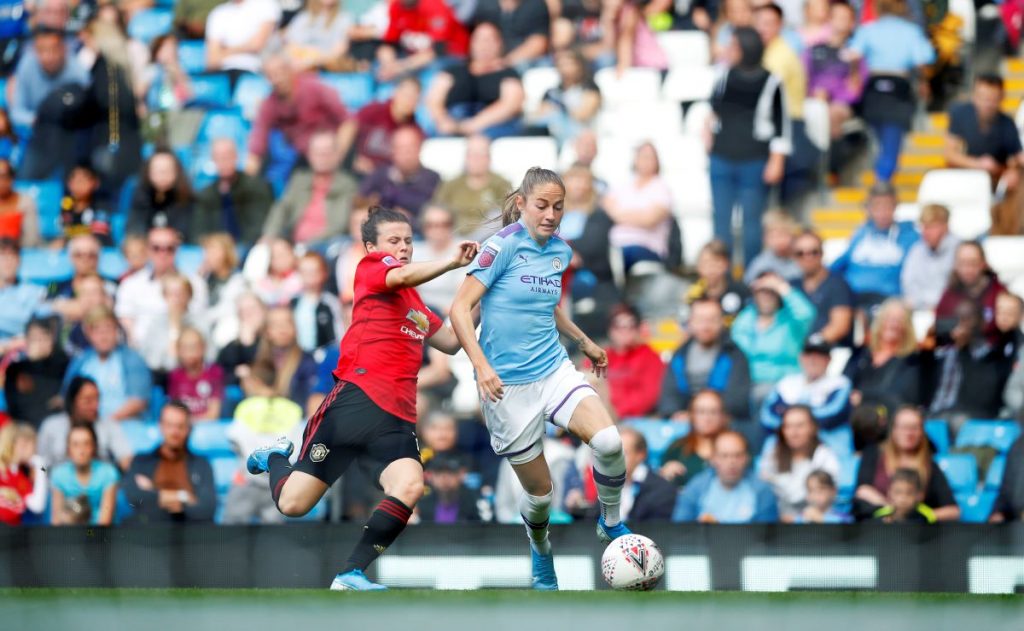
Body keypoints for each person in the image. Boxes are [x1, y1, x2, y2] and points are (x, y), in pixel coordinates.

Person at [245, 206, 477, 591]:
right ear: (372, 246)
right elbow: (399, 273)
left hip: (397, 418)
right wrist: (453, 260)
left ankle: (351, 573)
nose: (403, 248)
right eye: (394, 241)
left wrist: (482, 286)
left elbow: (451, 342)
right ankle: (273, 456)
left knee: (410, 485)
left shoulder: (416, 303)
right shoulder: (372, 270)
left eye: (407, 241)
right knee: (293, 505)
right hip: (356, 400)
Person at [449, 167, 633, 591]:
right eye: (542, 205)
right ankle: (541, 547)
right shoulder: (500, 248)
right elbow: (460, 311)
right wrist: (481, 366)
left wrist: (584, 340)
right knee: (540, 499)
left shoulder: (560, 252)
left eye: (559, 207)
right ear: (521, 204)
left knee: (607, 441)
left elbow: (545, 304)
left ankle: (611, 521)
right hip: (506, 388)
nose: (551, 214)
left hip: (552, 369)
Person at [708, 26, 790, 267]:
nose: (729, 50)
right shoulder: (725, 74)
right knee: (721, 220)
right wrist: (707, 129)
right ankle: (721, 272)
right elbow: (713, 108)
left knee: (751, 223)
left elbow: (781, 125)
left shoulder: (770, 80)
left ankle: (751, 274)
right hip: (722, 156)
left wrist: (777, 160)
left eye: (734, 46)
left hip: (754, 159)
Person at [846, 0, 934, 183]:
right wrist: (923, 82)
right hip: (897, 88)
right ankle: (882, 182)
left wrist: (854, 75)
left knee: (882, 140)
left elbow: (853, 54)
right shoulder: (911, 31)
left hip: (874, 87)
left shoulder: (868, 29)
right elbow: (923, 60)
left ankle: (881, 180)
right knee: (890, 140)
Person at [245, 54, 349, 176]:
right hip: (305, 158)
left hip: (334, 152)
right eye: (271, 76)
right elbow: (256, 145)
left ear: (290, 70)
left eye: (280, 72)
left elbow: (348, 122)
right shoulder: (269, 104)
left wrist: (337, 154)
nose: (277, 79)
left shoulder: (314, 87)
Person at [755, 3, 815, 211]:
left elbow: (764, 94)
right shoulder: (766, 52)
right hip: (777, 126)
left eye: (769, 23)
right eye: (759, 23)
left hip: (789, 127)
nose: (763, 28)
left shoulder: (779, 55)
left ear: (780, 25)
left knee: (786, 203)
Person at [853, 405, 959, 521]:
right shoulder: (874, 453)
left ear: (922, 432)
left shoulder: (930, 465)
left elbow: (953, 510)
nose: (909, 433)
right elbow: (862, 490)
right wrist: (891, 509)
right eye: (904, 427)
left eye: (914, 428)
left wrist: (923, 516)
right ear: (893, 429)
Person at [425, 21, 525, 139]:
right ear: (472, 43)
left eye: (489, 40)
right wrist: (443, 120)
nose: (484, 45)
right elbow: (433, 100)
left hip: (493, 127)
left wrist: (474, 124)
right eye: (480, 39)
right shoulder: (452, 71)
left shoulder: (508, 74)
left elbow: (511, 105)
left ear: (499, 44)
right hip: (453, 122)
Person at [657, 299, 752, 422]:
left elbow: (737, 400)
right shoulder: (679, 355)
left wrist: (703, 416)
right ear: (690, 322)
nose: (706, 326)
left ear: (722, 322)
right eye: (700, 320)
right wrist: (674, 413)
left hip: (722, 421)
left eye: (712, 320)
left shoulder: (735, 355)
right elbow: (669, 394)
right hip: (684, 421)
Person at [831, 181, 919, 311]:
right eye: (877, 206)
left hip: (887, 300)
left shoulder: (909, 236)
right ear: (869, 209)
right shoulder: (861, 234)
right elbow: (838, 265)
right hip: (853, 297)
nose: (882, 212)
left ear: (895, 207)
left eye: (887, 206)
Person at [123, 402, 217, 523]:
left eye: (180, 426)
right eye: (169, 425)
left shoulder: (201, 464)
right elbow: (134, 497)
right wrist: (184, 497)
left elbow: (207, 508)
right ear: (160, 426)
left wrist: (153, 491)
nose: (174, 432)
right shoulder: (142, 461)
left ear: (188, 429)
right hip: (151, 530)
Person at [731, 272, 816, 406]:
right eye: (761, 291)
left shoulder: (791, 321)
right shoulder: (745, 318)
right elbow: (737, 351)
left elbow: (806, 314)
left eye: (771, 291)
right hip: (749, 385)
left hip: (787, 385)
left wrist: (782, 287)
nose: (766, 296)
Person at [261, 131, 358, 246]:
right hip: (292, 242)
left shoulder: (347, 185)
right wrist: (269, 235)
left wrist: (308, 245)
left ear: (338, 156)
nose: (322, 157)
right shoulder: (299, 179)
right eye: (317, 153)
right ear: (309, 155)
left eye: (326, 153)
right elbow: (281, 208)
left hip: (327, 244)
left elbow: (339, 224)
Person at [803, 1, 865, 174]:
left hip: (841, 106)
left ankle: (829, 169)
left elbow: (855, 89)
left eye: (845, 18)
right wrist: (813, 94)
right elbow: (804, 78)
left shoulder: (856, 52)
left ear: (852, 22)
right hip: (813, 102)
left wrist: (832, 96)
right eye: (837, 17)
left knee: (832, 114)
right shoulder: (814, 49)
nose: (841, 22)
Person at [63, 306, 152, 422]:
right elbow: (67, 396)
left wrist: (106, 423)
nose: (103, 336)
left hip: (124, 424)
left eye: (108, 329)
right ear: (88, 333)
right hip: (85, 426)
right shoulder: (81, 361)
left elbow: (138, 401)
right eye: (98, 331)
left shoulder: (132, 359)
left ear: (116, 331)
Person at [922, 300, 1006, 423]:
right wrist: (929, 343)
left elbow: (981, 394)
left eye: (967, 319)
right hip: (935, 413)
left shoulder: (990, 355)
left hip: (967, 416)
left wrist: (964, 350)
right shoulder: (946, 351)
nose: (961, 324)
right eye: (958, 318)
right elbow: (921, 379)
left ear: (982, 322)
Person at [672, 431, 779, 523]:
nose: (731, 462)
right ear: (713, 459)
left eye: (738, 455)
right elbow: (680, 530)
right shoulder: (696, 487)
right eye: (724, 456)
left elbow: (767, 538)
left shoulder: (763, 491)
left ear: (747, 458)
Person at [757, 405, 840, 521]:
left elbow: (826, 497)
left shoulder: (825, 457)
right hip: (775, 523)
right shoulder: (772, 455)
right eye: (788, 426)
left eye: (800, 426)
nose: (793, 433)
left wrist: (797, 519)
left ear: (812, 428)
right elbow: (762, 492)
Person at [602, 142, 674, 271]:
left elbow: (649, 220)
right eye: (642, 156)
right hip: (615, 245)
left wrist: (619, 214)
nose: (645, 161)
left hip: (647, 248)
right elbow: (605, 207)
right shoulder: (623, 183)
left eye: (649, 157)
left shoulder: (661, 187)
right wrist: (639, 214)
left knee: (619, 256)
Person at [945, 74, 1023, 192]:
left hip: (994, 183)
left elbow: (1017, 157)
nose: (988, 104)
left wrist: (1013, 172)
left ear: (1001, 98)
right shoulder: (960, 114)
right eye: (984, 98)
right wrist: (978, 164)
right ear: (974, 96)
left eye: (993, 99)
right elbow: (949, 153)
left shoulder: (1007, 124)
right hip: (961, 180)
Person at [37, 376, 134, 471]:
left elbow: (125, 459)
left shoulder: (109, 426)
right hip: (56, 485)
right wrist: (44, 477)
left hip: (100, 485)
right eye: (88, 400)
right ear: (73, 401)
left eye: (97, 399)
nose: (95, 406)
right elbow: (41, 464)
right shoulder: (50, 426)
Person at [760, 334, 853, 433]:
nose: (813, 360)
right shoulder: (786, 383)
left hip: (826, 439)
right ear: (801, 357)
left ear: (828, 359)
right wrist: (791, 429)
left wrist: (788, 414)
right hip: (784, 438)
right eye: (808, 354)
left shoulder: (840, 383)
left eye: (819, 355)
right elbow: (767, 416)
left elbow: (832, 415)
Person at [843, 298, 921, 413]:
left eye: (899, 320)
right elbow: (844, 384)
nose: (893, 324)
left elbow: (900, 398)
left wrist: (864, 397)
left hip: (885, 418)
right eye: (889, 318)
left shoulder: (912, 360)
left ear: (907, 326)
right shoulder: (861, 354)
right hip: (853, 417)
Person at [192, 139, 274, 246]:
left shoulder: (256, 188)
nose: (224, 161)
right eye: (219, 157)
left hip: (248, 248)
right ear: (213, 160)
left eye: (228, 155)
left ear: (236, 156)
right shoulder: (206, 195)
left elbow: (258, 227)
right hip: (217, 251)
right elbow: (198, 232)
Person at [337, 75, 422, 176]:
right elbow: (349, 126)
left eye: (414, 97)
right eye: (406, 95)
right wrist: (352, 159)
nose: (409, 101)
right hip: (355, 168)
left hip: (385, 178)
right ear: (395, 93)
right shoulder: (375, 110)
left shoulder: (414, 131)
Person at [239, 306, 319, 407]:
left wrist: (266, 394)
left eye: (287, 322)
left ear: (295, 329)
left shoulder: (307, 362)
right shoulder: (259, 362)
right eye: (276, 324)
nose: (282, 328)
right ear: (267, 332)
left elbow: (305, 402)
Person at [432, 135, 511, 236]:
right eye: (472, 155)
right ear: (465, 158)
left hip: (488, 239)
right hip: (454, 237)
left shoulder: (501, 184)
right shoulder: (450, 185)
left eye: (481, 155)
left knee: (497, 215)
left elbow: (508, 217)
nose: (476, 159)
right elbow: (436, 209)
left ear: (489, 158)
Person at [358, 126, 440, 221]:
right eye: (401, 149)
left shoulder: (432, 179)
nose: (406, 155)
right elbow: (360, 205)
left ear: (420, 149)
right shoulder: (378, 177)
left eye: (410, 149)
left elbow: (435, 216)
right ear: (392, 151)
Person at [934, 241, 1007, 346]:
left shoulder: (998, 292)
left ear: (983, 263)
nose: (968, 269)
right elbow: (939, 327)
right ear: (955, 264)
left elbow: (1009, 326)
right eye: (962, 263)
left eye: (973, 263)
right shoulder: (949, 294)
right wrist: (953, 333)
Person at [376, 0, 469, 81]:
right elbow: (388, 44)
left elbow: (437, 50)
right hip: (415, 58)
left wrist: (401, 67)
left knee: (430, 73)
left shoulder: (434, 6)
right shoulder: (396, 7)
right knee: (378, 69)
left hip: (450, 56)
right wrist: (388, 64)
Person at [49, 423, 119, 525]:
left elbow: (105, 521)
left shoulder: (108, 473)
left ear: (94, 447)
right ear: (68, 449)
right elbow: (56, 519)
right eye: (75, 444)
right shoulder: (59, 475)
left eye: (86, 444)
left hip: (101, 536)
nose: (81, 450)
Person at [136, 273, 206, 374]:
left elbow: (210, 358)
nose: (176, 299)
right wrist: (174, 329)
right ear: (164, 296)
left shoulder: (200, 322)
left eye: (180, 294)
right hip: (164, 378)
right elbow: (153, 362)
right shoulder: (155, 325)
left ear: (189, 295)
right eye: (171, 294)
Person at [3, 317, 67, 428]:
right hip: (23, 428)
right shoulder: (15, 370)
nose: (39, 344)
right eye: (34, 339)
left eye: (44, 338)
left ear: (51, 341)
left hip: (53, 426)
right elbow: (16, 407)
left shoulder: (62, 365)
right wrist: (33, 362)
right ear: (27, 341)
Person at [794, 230, 854, 347]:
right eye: (800, 253)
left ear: (822, 253)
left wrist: (811, 344)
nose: (808, 257)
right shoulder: (792, 286)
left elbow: (840, 326)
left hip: (828, 351)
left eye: (814, 252)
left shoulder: (838, 284)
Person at [603, 305, 664, 419]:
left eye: (631, 326)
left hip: (635, 420)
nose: (625, 331)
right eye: (618, 326)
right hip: (601, 416)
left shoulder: (650, 357)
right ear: (610, 330)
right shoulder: (600, 356)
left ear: (638, 328)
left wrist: (616, 412)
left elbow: (648, 397)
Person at [531, 48, 601, 146]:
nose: (564, 68)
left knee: (556, 118)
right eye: (561, 64)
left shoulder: (590, 89)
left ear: (579, 66)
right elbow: (541, 116)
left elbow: (583, 115)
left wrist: (560, 108)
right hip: (553, 132)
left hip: (579, 133)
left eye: (569, 64)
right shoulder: (552, 92)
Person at [660, 390, 731, 487]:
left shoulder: (734, 448)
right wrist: (665, 475)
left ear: (723, 416)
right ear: (691, 415)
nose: (707, 418)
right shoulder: (677, 448)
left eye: (713, 412)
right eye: (701, 412)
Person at [900, 204, 959, 311]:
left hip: (951, 310)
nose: (925, 232)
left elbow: (957, 287)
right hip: (919, 308)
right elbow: (908, 283)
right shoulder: (916, 250)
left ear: (945, 226)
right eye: (923, 227)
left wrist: (938, 304)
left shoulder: (960, 250)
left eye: (931, 227)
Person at [126, 149, 194, 241]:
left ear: (177, 172)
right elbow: (134, 230)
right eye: (158, 170)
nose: (162, 175)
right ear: (148, 172)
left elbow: (187, 233)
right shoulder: (140, 197)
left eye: (166, 170)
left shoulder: (186, 199)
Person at [410, 205, 464, 315]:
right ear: (423, 227)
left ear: (452, 225)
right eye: (431, 225)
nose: (438, 229)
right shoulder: (414, 250)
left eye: (444, 224)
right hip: (419, 313)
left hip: (451, 314)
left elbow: (464, 295)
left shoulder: (463, 250)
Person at [198, 232, 247, 351]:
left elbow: (227, 310)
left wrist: (204, 317)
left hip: (222, 335)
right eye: (207, 251)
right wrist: (198, 279)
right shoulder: (202, 280)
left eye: (213, 251)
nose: (208, 256)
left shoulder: (238, 281)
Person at [204, 0, 280, 77]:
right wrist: (245, 47)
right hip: (223, 73)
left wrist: (223, 52)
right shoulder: (218, 12)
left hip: (256, 71)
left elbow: (256, 45)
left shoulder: (266, 4)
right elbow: (212, 60)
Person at [685, 240, 751, 326]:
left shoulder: (741, 291)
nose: (711, 269)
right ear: (698, 267)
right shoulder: (692, 294)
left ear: (727, 264)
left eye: (716, 262)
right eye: (706, 263)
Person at [618, 427, 676, 522]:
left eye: (622, 453)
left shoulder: (662, 491)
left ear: (641, 454)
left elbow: (659, 531)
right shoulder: (606, 486)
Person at [0, 238, 47, 353]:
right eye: (3, 256)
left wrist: (7, 346)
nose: (8, 261)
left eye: (13, 256)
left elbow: (38, 325)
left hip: (19, 354)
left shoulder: (34, 292)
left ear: (19, 261)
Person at [167, 327, 224, 421]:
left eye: (193, 347)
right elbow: (175, 411)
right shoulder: (175, 375)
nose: (189, 352)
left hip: (208, 428)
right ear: (178, 350)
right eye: (184, 348)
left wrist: (191, 421)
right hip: (183, 429)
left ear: (203, 347)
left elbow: (214, 414)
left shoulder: (214, 373)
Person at [472, 0, 550, 67]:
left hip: (525, 64)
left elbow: (539, 44)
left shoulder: (535, 5)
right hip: (491, 62)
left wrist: (505, 63)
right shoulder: (486, 5)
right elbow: (480, 36)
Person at [291, 252, 343, 352]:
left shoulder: (331, 303)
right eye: (305, 272)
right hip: (299, 356)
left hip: (325, 355)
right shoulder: (293, 302)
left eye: (314, 271)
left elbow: (338, 333)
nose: (309, 275)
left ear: (324, 273)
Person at [283, 0, 353, 72]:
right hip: (298, 64)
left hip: (325, 68)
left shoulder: (344, 19)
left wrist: (312, 62)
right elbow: (291, 46)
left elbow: (338, 51)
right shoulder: (303, 18)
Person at [0, 423, 47, 525]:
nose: (35, 451)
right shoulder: (3, 470)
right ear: (22, 444)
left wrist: (41, 467)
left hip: (11, 534)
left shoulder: (20, 477)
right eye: (33, 445)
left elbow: (38, 506)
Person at [55, 163, 112, 247]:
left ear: (95, 183)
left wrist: (68, 243)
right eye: (75, 180)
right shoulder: (65, 205)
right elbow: (61, 231)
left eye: (82, 180)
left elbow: (100, 238)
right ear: (69, 184)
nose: (79, 185)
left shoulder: (101, 208)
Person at [417, 453, 483, 523]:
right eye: (438, 472)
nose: (444, 477)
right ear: (430, 476)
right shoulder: (421, 506)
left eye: (450, 472)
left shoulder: (475, 504)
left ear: (462, 474)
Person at [743, 209, 802, 284]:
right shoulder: (761, 264)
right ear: (765, 238)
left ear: (792, 235)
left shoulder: (802, 258)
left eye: (782, 234)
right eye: (773, 236)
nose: (778, 240)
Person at [871, 467, 937, 523]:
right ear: (889, 493)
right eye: (898, 492)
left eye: (909, 493)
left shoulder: (927, 517)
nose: (903, 498)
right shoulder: (881, 515)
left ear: (920, 495)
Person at [0, 159, 40, 248]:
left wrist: (8, 251)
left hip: (19, 253)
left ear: (11, 179)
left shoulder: (26, 202)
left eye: (2, 176)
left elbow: (31, 239)